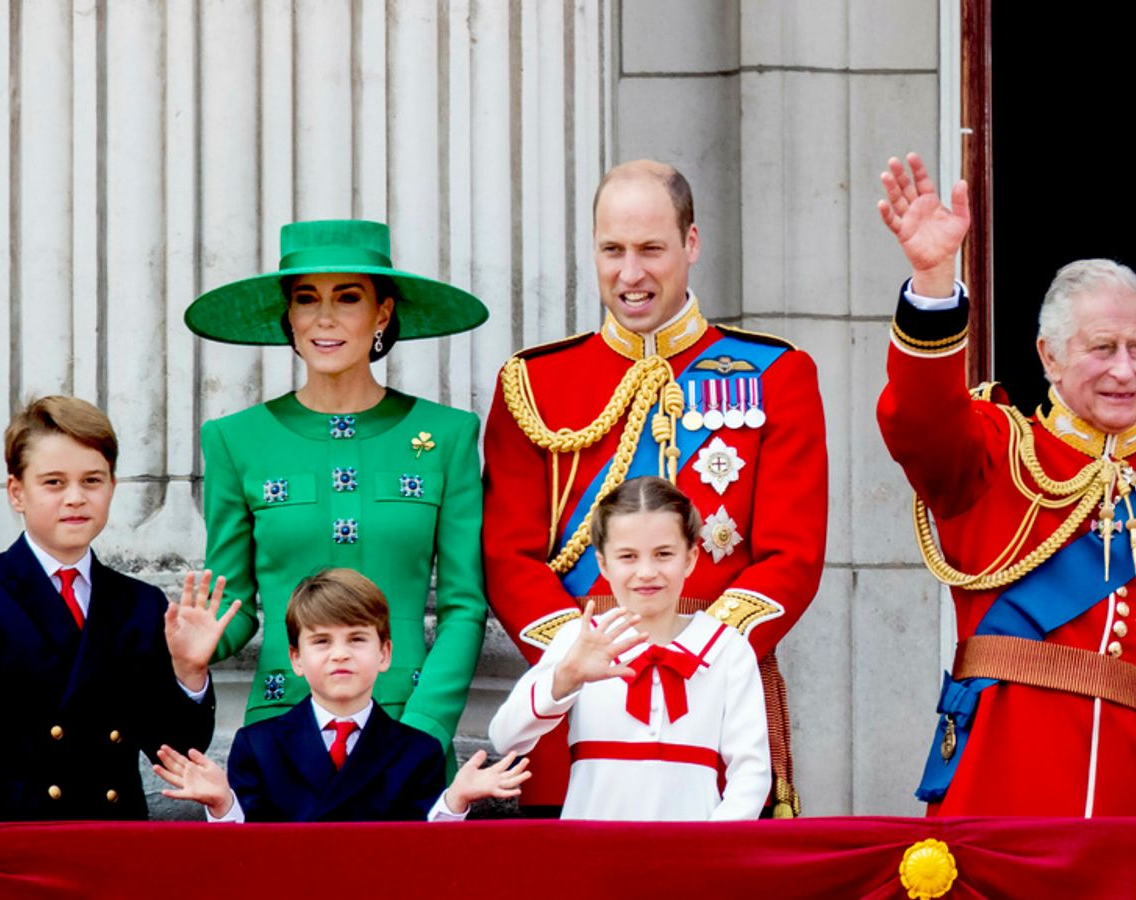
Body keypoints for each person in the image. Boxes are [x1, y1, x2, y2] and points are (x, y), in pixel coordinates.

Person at [874, 153, 1136, 817]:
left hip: (1134, 806)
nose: (1124, 370)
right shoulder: (996, 450)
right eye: (1101, 348)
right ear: (1049, 356)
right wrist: (934, 281)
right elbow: (918, 420)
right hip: (1000, 789)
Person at [482, 160, 824, 815]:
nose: (630, 273)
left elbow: (794, 556)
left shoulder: (776, 375)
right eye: (612, 250)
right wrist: (587, 657)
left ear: (691, 245)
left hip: (718, 703)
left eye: (650, 250)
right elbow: (508, 558)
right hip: (580, 709)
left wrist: (701, 657)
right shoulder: (534, 384)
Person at [185, 220, 489, 770]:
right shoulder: (234, 440)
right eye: (307, 299)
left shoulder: (448, 435)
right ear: (290, 317)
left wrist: (424, 731)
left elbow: (464, 607)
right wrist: (183, 647)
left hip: (408, 727)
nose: (325, 318)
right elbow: (233, 610)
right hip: (281, 733)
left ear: (382, 313)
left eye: (348, 297)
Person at [0, 396, 232, 822]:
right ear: (17, 492)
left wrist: (190, 672)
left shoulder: (140, 602)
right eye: (54, 482)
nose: (75, 498)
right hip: (8, 845)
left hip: (112, 841)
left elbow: (173, 751)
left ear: (112, 486)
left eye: (92, 481)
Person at [488, 477, 770, 820]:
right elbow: (506, 738)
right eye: (628, 557)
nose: (646, 572)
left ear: (691, 557)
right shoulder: (578, 639)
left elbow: (751, 772)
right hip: (592, 850)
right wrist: (565, 678)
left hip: (693, 852)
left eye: (664, 554)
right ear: (603, 564)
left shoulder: (727, 648)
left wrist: (711, 846)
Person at [153, 569, 530, 821]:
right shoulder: (259, 744)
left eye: (356, 639)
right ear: (295, 658)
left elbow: (423, 854)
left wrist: (454, 802)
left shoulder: (418, 751)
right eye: (321, 641)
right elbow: (247, 853)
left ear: (384, 654)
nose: (340, 653)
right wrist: (223, 804)